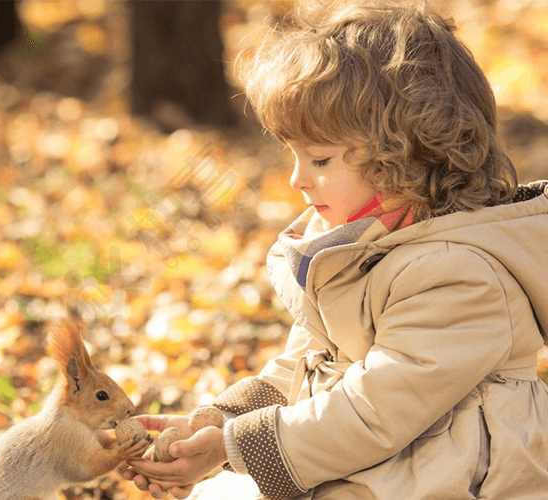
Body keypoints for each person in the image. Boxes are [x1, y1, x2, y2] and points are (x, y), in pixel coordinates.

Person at [122, 1, 548, 498]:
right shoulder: (359, 247)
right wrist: (222, 421)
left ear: (406, 154)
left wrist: (235, 448)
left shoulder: (459, 272)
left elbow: (376, 410)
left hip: (455, 475)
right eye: (295, 154)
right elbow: (310, 363)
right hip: (380, 459)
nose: (297, 179)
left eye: (319, 159)